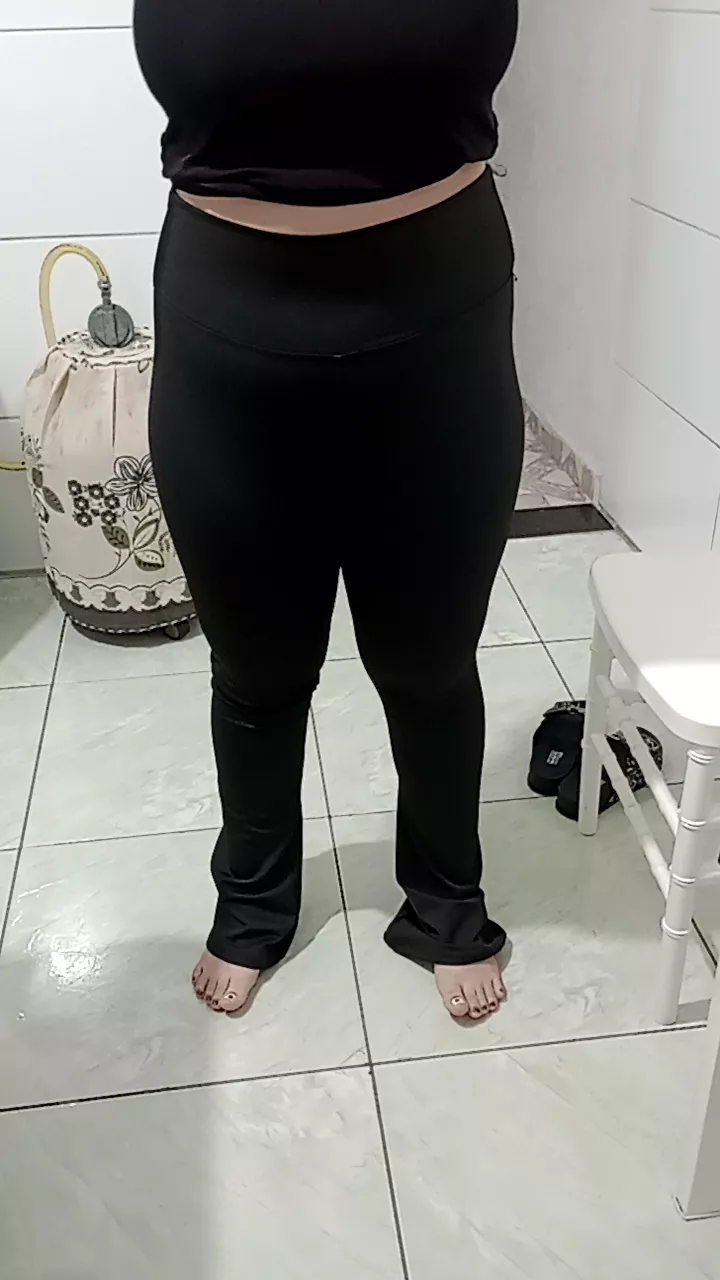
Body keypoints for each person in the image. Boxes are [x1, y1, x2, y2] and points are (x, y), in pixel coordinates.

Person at [134, 0, 523, 1022]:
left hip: (437, 316)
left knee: (430, 661)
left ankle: (445, 898)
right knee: (257, 668)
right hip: (229, 324)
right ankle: (253, 901)